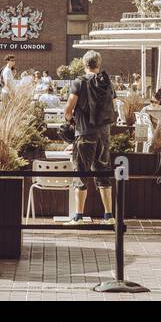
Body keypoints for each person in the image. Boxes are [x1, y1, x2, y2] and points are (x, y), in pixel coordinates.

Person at [63, 49, 115, 224]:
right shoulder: (107, 82)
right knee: (103, 173)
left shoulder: (79, 83)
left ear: (84, 64)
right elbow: (111, 106)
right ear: (98, 65)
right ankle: (108, 215)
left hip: (85, 134)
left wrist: (71, 121)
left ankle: (78, 216)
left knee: (81, 173)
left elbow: (68, 109)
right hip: (104, 134)